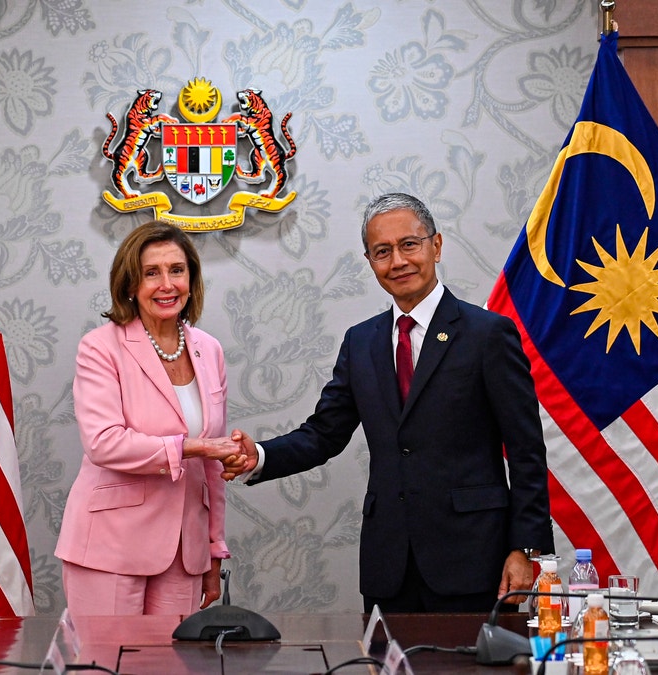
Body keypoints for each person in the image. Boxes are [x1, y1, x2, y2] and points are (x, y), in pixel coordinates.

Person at [231, 193, 554, 613]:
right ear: (369, 261)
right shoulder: (361, 342)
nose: (397, 261)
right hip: (389, 565)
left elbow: (527, 450)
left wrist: (525, 548)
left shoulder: (488, 334)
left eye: (409, 244)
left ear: (435, 246)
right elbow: (324, 434)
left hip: (474, 559)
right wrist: (256, 456)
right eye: (382, 251)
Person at [56, 221, 246, 615]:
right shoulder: (100, 347)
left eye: (177, 270)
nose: (167, 284)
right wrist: (193, 446)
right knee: (104, 665)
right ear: (130, 284)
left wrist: (213, 547)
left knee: (172, 667)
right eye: (151, 273)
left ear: (191, 280)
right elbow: (104, 443)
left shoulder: (209, 350)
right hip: (110, 546)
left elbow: (213, 468)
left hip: (184, 553)